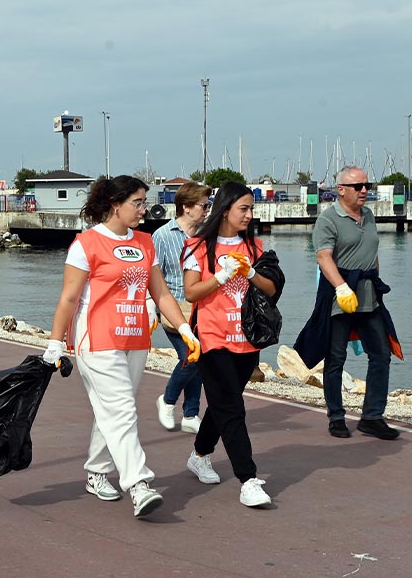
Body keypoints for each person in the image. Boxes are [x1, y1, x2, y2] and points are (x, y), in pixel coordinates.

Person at [43, 176, 199, 519]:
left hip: (134, 338)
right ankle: (139, 484)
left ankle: (97, 471)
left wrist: (186, 328)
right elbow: (69, 297)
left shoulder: (145, 242)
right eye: (138, 203)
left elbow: (159, 292)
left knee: (112, 410)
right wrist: (55, 342)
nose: (145, 209)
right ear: (116, 204)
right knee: (123, 411)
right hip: (96, 340)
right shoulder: (86, 244)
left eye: (145, 202)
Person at [180, 181, 279, 508]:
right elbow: (191, 293)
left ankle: (199, 454)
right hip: (212, 338)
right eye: (244, 209)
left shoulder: (256, 247)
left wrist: (249, 272)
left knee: (225, 403)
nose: (250, 215)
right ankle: (248, 480)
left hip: (247, 340)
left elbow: (270, 290)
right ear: (225, 210)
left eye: (251, 209)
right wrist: (220, 277)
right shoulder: (197, 247)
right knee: (233, 409)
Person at [294, 166, 403, 441]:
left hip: (369, 296)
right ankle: (336, 416)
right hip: (339, 297)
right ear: (340, 189)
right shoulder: (328, 219)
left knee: (381, 354)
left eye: (367, 185)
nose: (364, 190)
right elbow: (323, 257)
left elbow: (372, 252)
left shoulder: (368, 215)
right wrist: (341, 287)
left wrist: (376, 281)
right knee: (336, 359)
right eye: (358, 186)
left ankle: (372, 416)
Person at [151, 181, 211, 434]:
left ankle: (190, 414)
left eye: (209, 205)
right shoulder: (163, 236)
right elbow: (153, 276)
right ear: (186, 207)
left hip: (203, 306)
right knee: (191, 356)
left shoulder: (206, 235)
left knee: (199, 359)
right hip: (174, 306)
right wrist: (152, 309)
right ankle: (167, 399)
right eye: (203, 205)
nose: (207, 210)